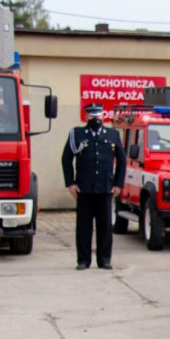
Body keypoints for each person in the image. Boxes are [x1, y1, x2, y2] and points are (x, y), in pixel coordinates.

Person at [61, 103, 125, 270]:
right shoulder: (77, 134)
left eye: (98, 115)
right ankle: (83, 260)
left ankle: (105, 260)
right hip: (84, 188)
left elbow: (122, 161)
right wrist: (70, 183)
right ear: (86, 117)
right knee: (84, 227)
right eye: (91, 115)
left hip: (105, 188)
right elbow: (66, 159)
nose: (95, 118)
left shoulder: (112, 134)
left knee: (105, 227)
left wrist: (118, 184)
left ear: (102, 116)